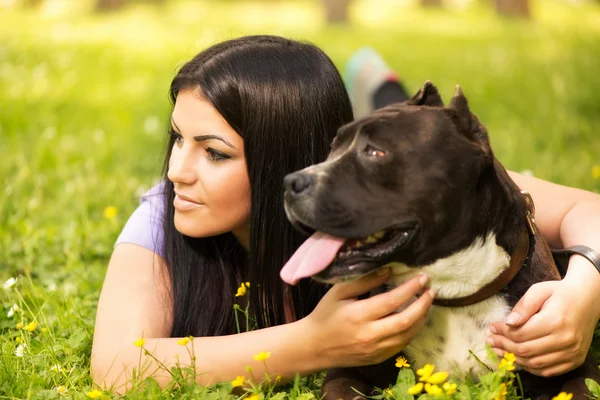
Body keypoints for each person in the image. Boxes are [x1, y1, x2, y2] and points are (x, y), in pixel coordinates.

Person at [91, 37, 600, 392]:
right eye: (177, 138)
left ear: (286, 163)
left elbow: (588, 208)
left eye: (214, 152)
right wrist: (313, 343)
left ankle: (383, 90)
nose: (177, 171)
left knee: (398, 114)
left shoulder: (374, 186)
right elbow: (116, 368)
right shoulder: (164, 214)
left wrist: (584, 291)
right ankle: (380, 86)